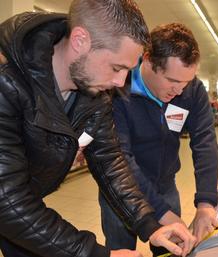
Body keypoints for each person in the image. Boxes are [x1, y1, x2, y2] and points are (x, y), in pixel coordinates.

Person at [0, 1, 196, 257]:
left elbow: (110, 160)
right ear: (80, 40)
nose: (119, 81)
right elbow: (7, 199)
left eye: (127, 70)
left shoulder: (93, 90)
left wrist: (149, 225)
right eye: (116, 67)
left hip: (22, 204)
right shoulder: (6, 80)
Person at [99, 23, 218, 254]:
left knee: (170, 250)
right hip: (121, 189)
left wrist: (206, 202)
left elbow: (205, 141)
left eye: (186, 82)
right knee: (121, 250)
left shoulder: (192, 90)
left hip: (166, 184)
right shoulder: (118, 89)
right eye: (173, 81)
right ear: (148, 60)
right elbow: (120, 157)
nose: (180, 91)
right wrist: (163, 212)